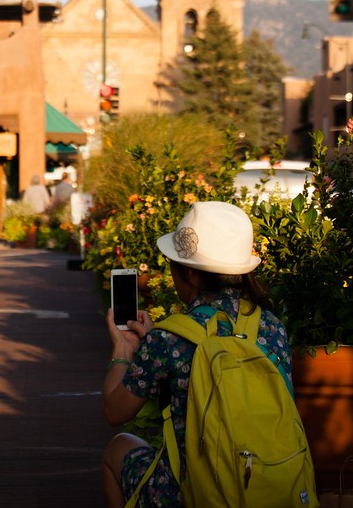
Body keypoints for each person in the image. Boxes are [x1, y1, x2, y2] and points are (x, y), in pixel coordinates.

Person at [100, 201, 291, 507]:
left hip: (192, 492)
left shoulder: (168, 340)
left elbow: (115, 411)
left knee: (118, 448)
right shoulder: (271, 327)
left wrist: (122, 352)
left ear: (189, 273)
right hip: (266, 484)